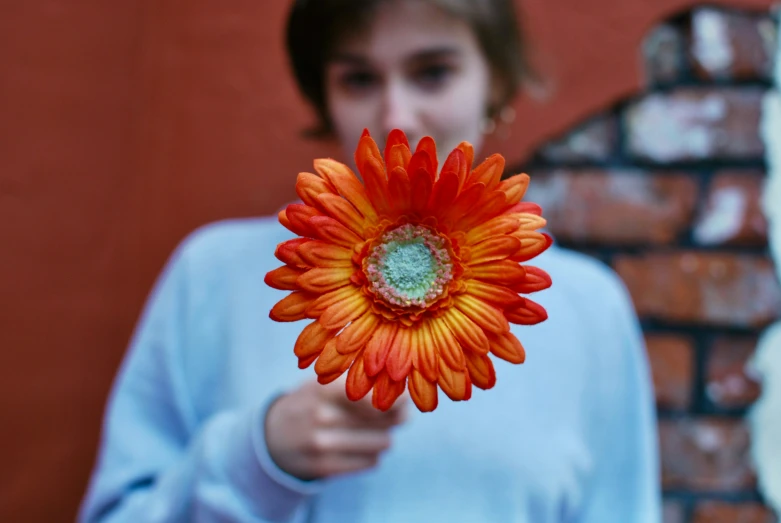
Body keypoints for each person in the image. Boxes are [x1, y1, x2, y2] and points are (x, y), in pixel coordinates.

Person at [79, 0, 661, 521]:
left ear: (497, 82)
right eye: (359, 78)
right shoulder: (211, 276)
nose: (397, 117)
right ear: (322, 96)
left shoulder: (588, 309)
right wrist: (256, 458)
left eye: (433, 72)